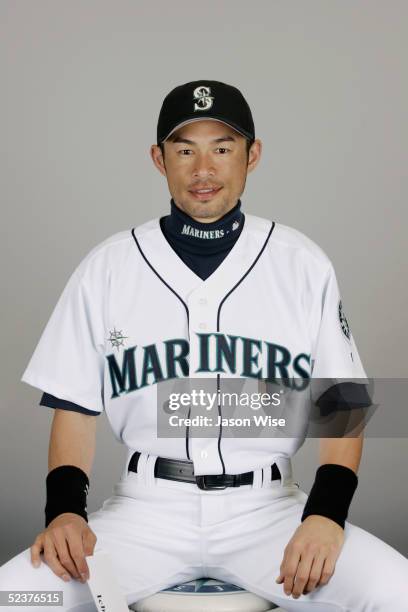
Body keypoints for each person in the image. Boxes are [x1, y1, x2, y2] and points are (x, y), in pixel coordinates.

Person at [1, 80, 407, 612]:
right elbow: (74, 410)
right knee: (18, 597)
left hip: (270, 514)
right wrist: (64, 513)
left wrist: (325, 517)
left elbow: (342, 408)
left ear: (252, 155)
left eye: (222, 148)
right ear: (158, 158)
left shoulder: (300, 263)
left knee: (397, 591)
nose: (203, 169)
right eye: (184, 149)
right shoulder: (108, 267)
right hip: (144, 515)